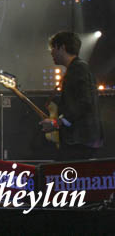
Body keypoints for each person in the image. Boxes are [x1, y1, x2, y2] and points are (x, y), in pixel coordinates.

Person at [40, 31, 103, 160]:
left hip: (80, 141)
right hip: (79, 140)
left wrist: (57, 123)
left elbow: (85, 102)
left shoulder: (78, 69)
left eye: (53, 48)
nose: (51, 53)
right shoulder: (76, 68)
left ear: (62, 47)